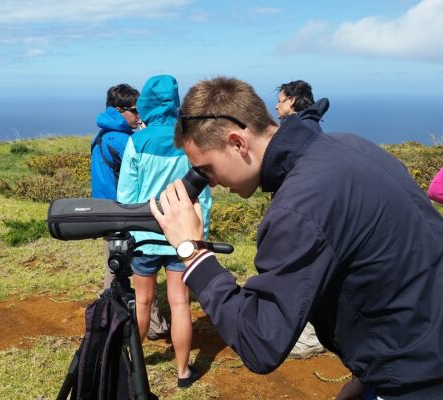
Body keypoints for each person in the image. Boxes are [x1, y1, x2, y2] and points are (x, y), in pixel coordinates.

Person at [150, 76, 443, 399]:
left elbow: (260, 341)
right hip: (420, 354)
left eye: (206, 170)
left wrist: (194, 254)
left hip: (418, 380)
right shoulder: (350, 146)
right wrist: (369, 377)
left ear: (237, 143)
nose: (212, 184)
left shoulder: (299, 207)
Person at [117, 75, 212, 388]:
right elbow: (203, 196)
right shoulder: (189, 140)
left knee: (142, 303)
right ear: (176, 101)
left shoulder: (137, 141)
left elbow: (126, 199)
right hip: (181, 237)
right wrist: (200, 235)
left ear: (145, 102)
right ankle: (183, 372)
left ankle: (134, 367)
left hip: (144, 237)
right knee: (180, 303)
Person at [90, 83, 169, 340]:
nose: (139, 116)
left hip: (104, 212)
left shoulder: (103, 135)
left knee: (114, 268)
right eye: (135, 111)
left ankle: (110, 319)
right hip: (122, 214)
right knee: (139, 269)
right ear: (119, 110)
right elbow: (146, 170)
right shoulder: (123, 140)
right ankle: (153, 326)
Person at [276, 79, 329, 359]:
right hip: (311, 211)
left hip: (301, 212)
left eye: (282, 100)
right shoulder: (312, 126)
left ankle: (307, 338)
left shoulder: (296, 131)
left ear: (294, 101)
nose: (277, 105)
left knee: (300, 271)